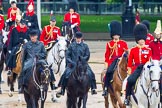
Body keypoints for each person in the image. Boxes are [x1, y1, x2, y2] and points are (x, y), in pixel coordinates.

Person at [56, 32, 97, 97]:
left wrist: (83, 60)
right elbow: (68, 55)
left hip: (83, 64)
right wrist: (71, 62)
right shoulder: (71, 45)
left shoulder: (85, 46)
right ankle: (62, 89)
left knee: (91, 73)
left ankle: (93, 88)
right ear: (75, 38)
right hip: (73, 64)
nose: (78, 39)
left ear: (81, 38)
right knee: (65, 74)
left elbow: (87, 55)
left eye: (79, 38)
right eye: (77, 38)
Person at [124, 24, 152, 105]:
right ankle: (127, 97)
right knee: (130, 81)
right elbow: (129, 63)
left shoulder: (148, 49)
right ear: (137, 40)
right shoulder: (133, 50)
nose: (142, 41)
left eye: (143, 39)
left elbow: (149, 61)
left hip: (145, 68)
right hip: (136, 69)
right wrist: (129, 73)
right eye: (140, 39)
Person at [102, 21, 128, 96]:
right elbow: (107, 55)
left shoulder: (123, 43)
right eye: (114, 35)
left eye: (117, 35)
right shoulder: (109, 44)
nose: (116, 36)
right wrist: (106, 65)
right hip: (113, 61)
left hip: (121, 60)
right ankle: (106, 88)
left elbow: (126, 53)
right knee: (109, 72)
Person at [149, 20, 162, 102]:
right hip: (154, 63)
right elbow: (150, 53)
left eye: (159, 34)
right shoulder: (151, 44)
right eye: (156, 34)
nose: (157, 35)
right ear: (154, 34)